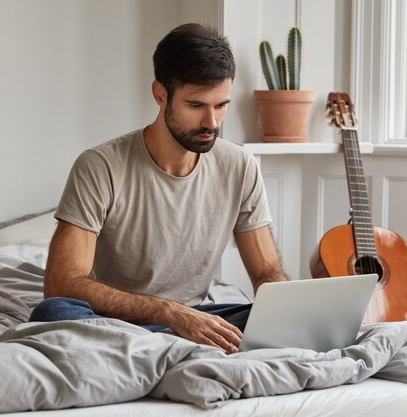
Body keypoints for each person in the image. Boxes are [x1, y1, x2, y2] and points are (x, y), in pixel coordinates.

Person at [29, 23, 289, 353]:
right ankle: (167, 344)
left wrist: (287, 314)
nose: (211, 122)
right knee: (51, 313)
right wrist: (167, 310)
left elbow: (266, 271)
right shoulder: (100, 166)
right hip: (115, 320)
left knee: (272, 319)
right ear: (160, 94)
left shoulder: (240, 165)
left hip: (196, 319)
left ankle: (151, 349)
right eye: (196, 105)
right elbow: (61, 284)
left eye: (221, 105)